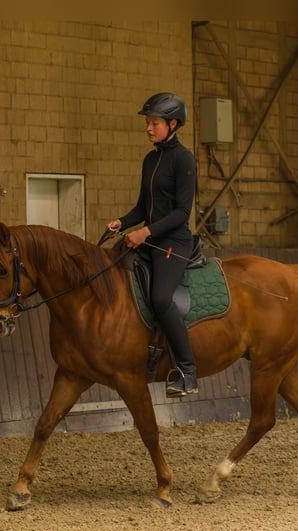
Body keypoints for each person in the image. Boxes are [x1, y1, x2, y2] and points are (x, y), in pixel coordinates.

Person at [107, 92, 198, 398]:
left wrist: (145, 233)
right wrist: (122, 221)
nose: (148, 128)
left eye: (154, 123)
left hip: (173, 242)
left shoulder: (184, 160)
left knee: (160, 297)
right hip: (149, 237)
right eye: (147, 122)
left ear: (173, 124)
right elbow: (142, 206)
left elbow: (181, 214)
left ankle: (187, 371)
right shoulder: (150, 159)